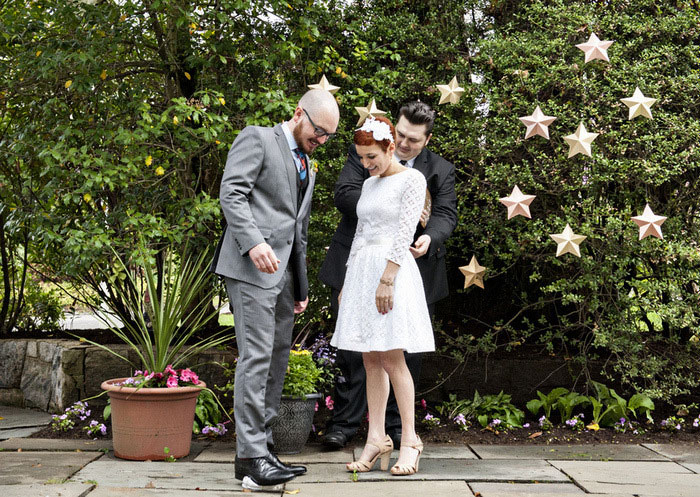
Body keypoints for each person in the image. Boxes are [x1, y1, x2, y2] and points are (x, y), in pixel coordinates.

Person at [210, 89, 339, 490]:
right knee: (257, 357)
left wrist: (299, 285)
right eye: (318, 131)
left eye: (327, 137)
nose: (320, 141)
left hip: (283, 277)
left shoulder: (307, 163)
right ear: (299, 113)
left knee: (277, 359)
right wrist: (253, 242)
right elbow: (231, 192)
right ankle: (249, 457)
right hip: (251, 268)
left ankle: (263, 449)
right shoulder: (258, 138)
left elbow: (298, 230)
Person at [319, 101, 457, 449]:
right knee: (359, 352)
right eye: (403, 133)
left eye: (415, 138)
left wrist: (428, 233)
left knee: (399, 355)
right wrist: (386, 202)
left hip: (403, 266)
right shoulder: (368, 158)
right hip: (362, 264)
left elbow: (444, 214)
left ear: (426, 140)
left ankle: (401, 432)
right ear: (393, 131)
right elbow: (346, 196)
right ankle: (351, 425)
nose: (407, 142)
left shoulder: (433, 171)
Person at [330, 115, 433, 476]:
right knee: (370, 359)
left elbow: (405, 230)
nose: (366, 163)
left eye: (371, 156)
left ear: (390, 148)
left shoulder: (412, 179)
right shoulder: (370, 184)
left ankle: (410, 440)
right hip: (362, 272)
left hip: (392, 272)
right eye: (361, 157)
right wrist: (348, 283)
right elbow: (360, 235)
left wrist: (388, 279)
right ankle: (376, 438)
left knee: (392, 357)